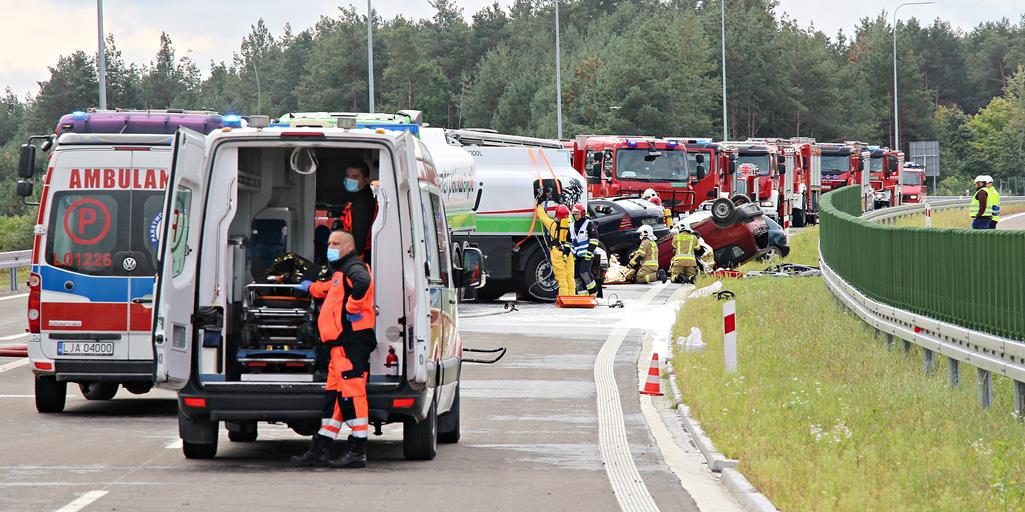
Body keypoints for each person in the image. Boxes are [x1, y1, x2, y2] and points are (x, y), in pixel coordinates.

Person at [290, 230, 376, 469]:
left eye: (336, 243)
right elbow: (331, 288)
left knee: (353, 395)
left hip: (350, 342)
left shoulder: (354, 267)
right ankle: (321, 448)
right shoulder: (341, 272)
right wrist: (310, 288)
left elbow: (363, 283)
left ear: (349, 247)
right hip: (338, 345)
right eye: (329, 243)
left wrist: (353, 306)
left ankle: (358, 450)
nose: (331, 246)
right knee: (334, 398)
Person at [338, 161, 377, 262]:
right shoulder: (356, 200)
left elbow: (358, 242)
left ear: (365, 180)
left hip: (358, 259)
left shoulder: (363, 204)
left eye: (354, 177)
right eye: (347, 176)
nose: (349, 179)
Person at [535, 202, 575, 297]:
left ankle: (564, 298)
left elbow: (543, 217)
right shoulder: (571, 225)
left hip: (557, 253)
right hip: (569, 253)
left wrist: (538, 206)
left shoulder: (553, 225)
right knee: (570, 276)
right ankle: (572, 297)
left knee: (561, 277)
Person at [570, 203, 600, 295]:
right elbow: (570, 241)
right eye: (574, 214)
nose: (576, 216)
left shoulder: (588, 224)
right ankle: (582, 295)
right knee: (576, 275)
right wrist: (570, 252)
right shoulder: (571, 226)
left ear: (582, 213)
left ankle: (593, 292)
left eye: (578, 214)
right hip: (577, 255)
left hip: (587, 254)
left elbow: (594, 239)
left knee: (584, 272)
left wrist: (589, 252)